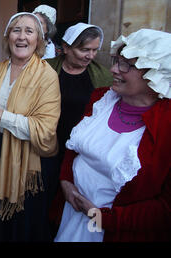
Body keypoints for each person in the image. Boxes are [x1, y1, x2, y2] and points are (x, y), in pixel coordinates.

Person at [54, 28, 171, 241]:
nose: (114, 69)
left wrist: (101, 218)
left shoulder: (166, 125)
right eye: (116, 60)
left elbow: (165, 208)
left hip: (115, 230)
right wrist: (66, 181)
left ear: (154, 73)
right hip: (71, 214)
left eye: (125, 64)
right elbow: (75, 146)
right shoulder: (101, 99)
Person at [0, 12, 61, 241]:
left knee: (21, 220)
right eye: (16, 30)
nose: (22, 36)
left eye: (29, 31)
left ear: (39, 40)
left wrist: (1, 116)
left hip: (27, 160)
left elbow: (45, 128)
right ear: (7, 37)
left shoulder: (47, 76)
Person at [44, 23, 112, 235]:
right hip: (45, 144)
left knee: (71, 198)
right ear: (65, 47)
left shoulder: (102, 77)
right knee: (44, 193)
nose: (90, 55)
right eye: (84, 50)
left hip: (78, 150)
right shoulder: (45, 68)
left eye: (94, 50)